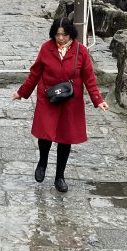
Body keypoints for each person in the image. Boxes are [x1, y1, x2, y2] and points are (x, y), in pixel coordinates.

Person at [12, 17, 108, 192]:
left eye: (64, 34)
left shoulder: (81, 51)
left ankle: (60, 177)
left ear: (71, 33)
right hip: (48, 97)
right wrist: (22, 92)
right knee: (45, 134)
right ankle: (42, 163)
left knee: (65, 138)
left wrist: (98, 99)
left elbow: (89, 78)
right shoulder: (46, 48)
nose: (61, 38)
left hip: (70, 101)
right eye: (57, 34)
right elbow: (35, 73)